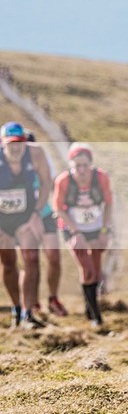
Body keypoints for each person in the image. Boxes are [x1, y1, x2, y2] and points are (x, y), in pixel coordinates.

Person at [53, 142, 113, 327]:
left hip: (95, 226)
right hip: (72, 227)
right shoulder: (63, 181)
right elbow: (59, 209)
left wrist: (104, 230)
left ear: (91, 164)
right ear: (71, 164)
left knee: (96, 272)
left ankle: (89, 308)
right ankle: (96, 318)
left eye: (85, 165)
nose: (81, 169)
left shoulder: (101, 177)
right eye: (77, 165)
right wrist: (76, 232)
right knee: (87, 270)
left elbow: (108, 204)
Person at [0, 122, 52, 329]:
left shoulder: (36, 154)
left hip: (26, 215)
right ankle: (16, 309)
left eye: (20, 143)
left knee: (31, 259)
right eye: (11, 144)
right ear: (3, 144)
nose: (16, 148)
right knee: (9, 263)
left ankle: (28, 313)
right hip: (2, 219)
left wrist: (37, 213)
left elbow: (47, 181)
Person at [24, 131, 67, 316]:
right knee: (31, 261)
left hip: (45, 214)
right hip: (23, 220)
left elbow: (49, 183)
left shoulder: (42, 160)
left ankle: (53, 298)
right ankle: (33, 304)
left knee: (54, 257)